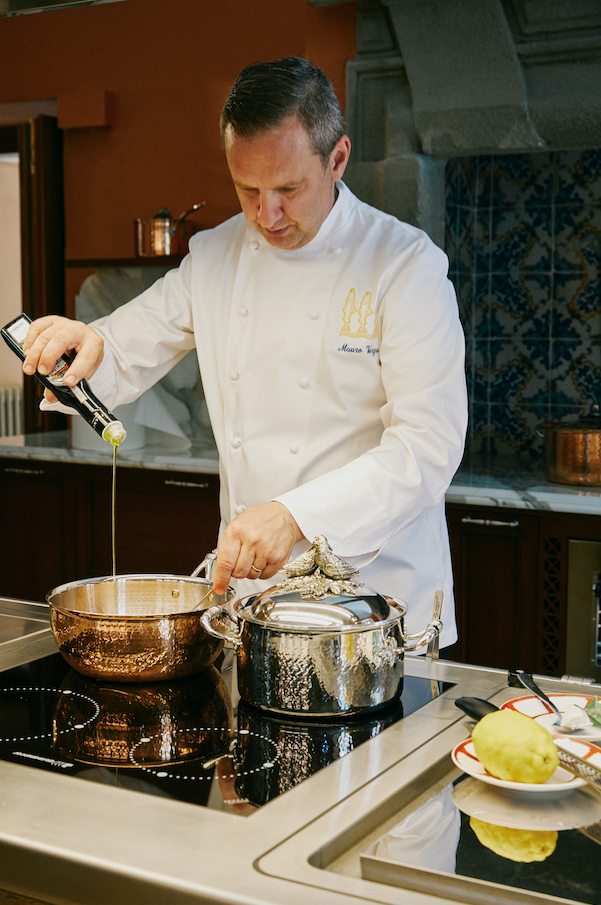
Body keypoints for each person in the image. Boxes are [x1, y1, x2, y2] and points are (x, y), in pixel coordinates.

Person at [21, 57, 467, 648]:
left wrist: (294, 515)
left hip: (379, 610)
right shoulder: (215, 255)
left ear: (337, 159)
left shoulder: (405, 265)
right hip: (255, 603)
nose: (267, 214)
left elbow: (426, 447)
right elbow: (127, 342)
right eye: (247, 189)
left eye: (288, 189)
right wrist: (84, 345)